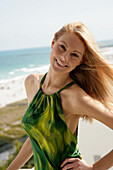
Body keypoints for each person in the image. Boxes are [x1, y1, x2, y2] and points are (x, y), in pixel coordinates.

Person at [7, 22, 113, 170]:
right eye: (62, 47)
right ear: (53, 42)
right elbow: (36, 136)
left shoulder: (76, 97)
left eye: (74, 55)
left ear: (80, 61)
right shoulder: (32, 83)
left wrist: (94, 168)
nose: (64, 58)